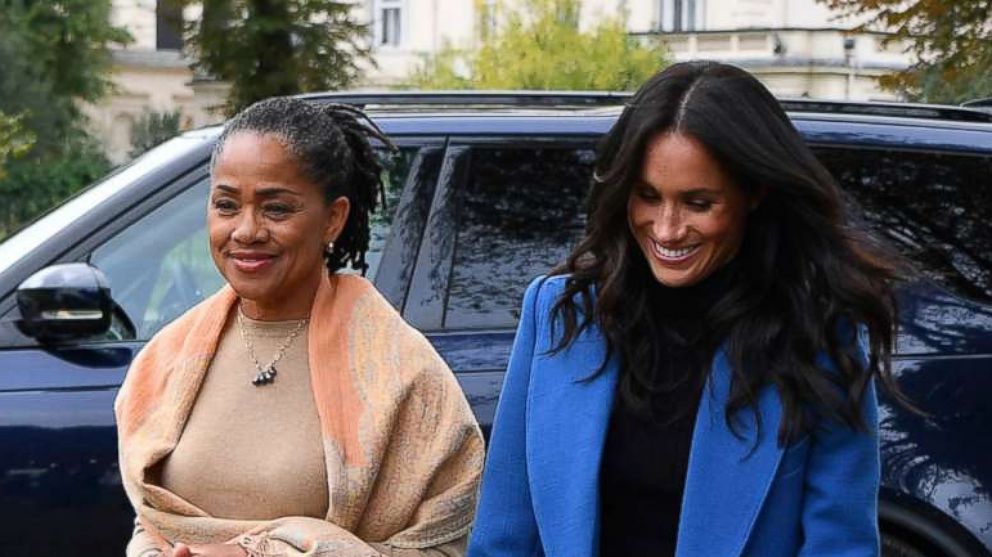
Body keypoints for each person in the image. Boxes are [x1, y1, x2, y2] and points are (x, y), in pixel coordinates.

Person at [467, 61, 909, 557]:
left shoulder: (818, 332)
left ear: (754, 192)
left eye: (698, 203)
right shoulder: (560, 314)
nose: (667, 229)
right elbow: (504, 532)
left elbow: (840, 544)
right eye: (648, 196)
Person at [116, 97, 484, 557]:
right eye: (226, 205)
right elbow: (152, 519)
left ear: (334, 218)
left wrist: (263, 553)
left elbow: (440, 550)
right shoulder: (168, 358)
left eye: (276, 209)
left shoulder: (403, 374)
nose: (246, 230)